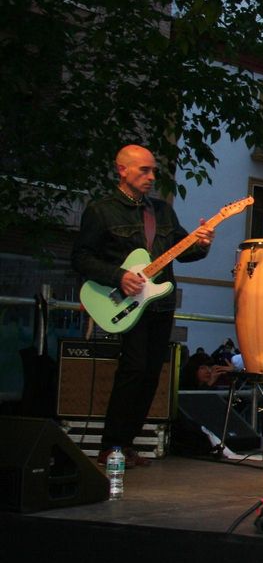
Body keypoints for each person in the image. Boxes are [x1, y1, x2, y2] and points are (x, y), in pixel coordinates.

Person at [72, 144, 213, 466]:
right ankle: (111, 445)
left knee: (150, 375)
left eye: (153, 171)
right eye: (143, 170)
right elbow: (80, 257)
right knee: (133, 370)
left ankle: (126, 443)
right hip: (125, 301)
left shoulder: (162, 211)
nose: (151, 177)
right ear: (122, 170)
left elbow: (183, 251)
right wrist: (118, 276)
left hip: (159, 304)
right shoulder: (101, 211)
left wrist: (202, 243)